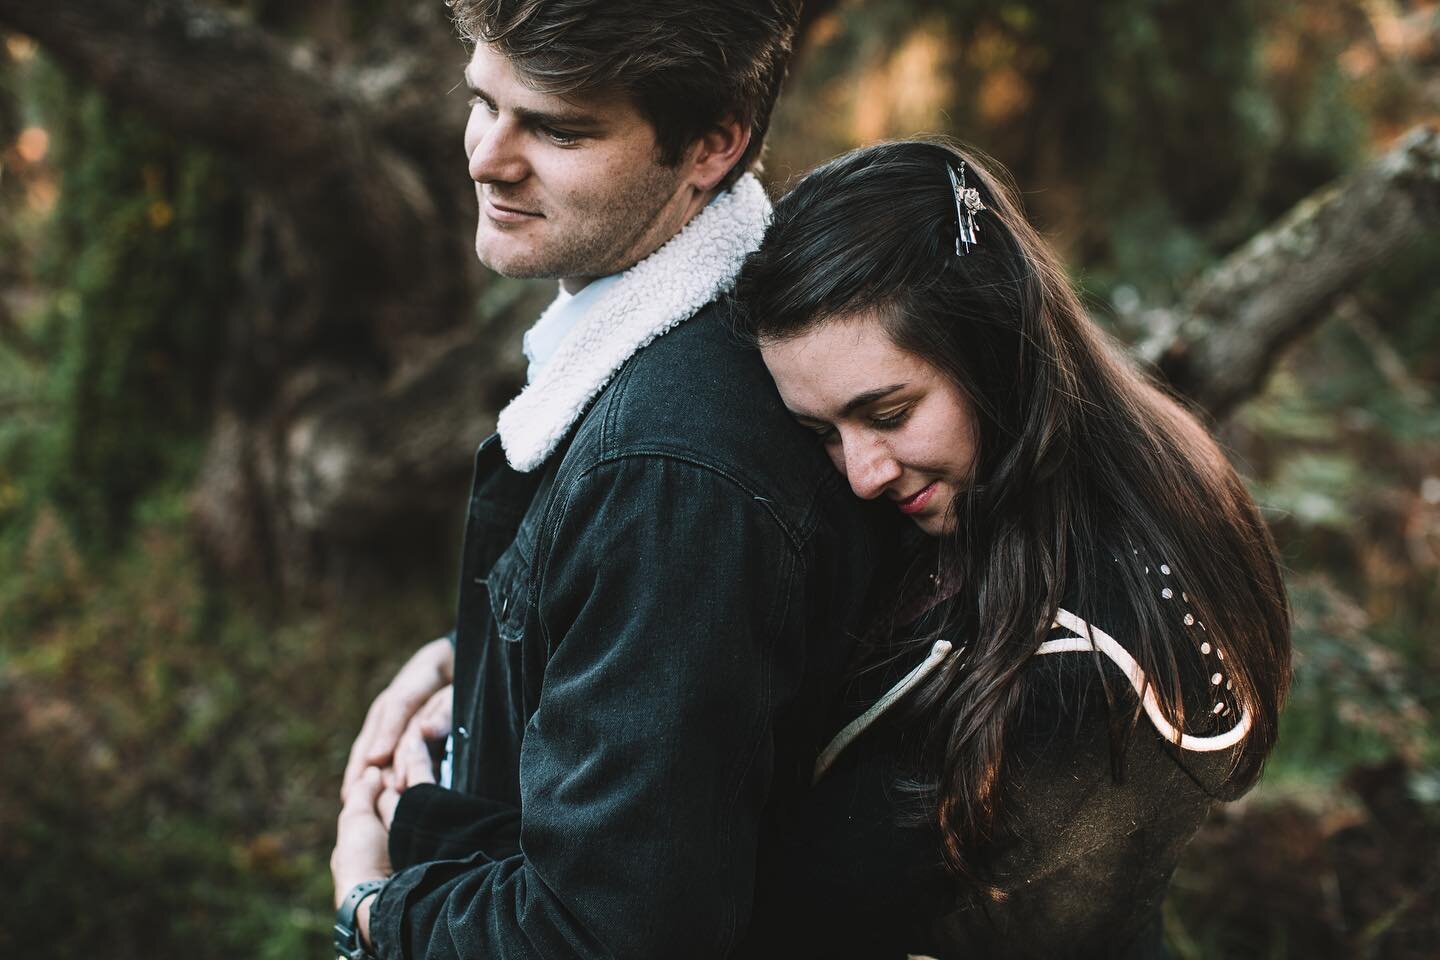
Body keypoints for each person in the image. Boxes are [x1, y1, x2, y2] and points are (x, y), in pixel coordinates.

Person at [329, 2, 892, 958]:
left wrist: (373, 908)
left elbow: (601, 935)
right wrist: (484, 672)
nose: (486, 158)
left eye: (556, 128)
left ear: (714, 145)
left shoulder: (674, 476)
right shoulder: (657, 351)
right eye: (484, 102)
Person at [728, 140, 1293, 958]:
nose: (861, 473)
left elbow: (818, 912)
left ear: (994, 343)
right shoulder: (1116, 453)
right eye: (822, 433)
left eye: (887, 414)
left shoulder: (1085, 669)